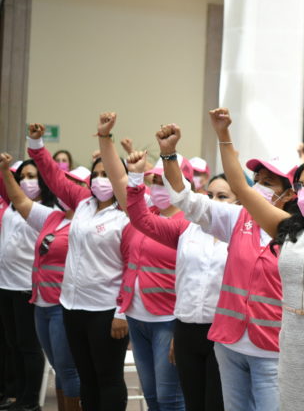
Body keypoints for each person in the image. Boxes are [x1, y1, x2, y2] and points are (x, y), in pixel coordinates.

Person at [210, 107, 304, 411]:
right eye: (300, 185)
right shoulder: (288, 228)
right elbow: (240, 186)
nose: (303, 191)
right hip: (291, 350)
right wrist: (223, 134)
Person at [158, 122, 295, 411]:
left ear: (289, 194)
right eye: (257, 178)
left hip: (272, 350)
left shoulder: (299, 233)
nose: (259, 186)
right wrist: (169, 155)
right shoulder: (237, 218)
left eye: (269, 183)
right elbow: (186, 199)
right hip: (230, 344)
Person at [26, 119, 131, 411]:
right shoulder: (83, 202)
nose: (100, 179)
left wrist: (122, 312)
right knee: (86, 377)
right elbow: (53, 176)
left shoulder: (127, 215)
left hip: (106, 310)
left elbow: (133, 266)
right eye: (96, 174)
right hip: (72, 306)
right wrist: (36, 145)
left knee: (107, 377)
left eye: (107, 174)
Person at [122, 145, 228, 411]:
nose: (215, 201)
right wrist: (135, 179)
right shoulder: (186, 227)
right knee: (184, 401)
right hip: (186, 328)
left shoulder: (242, 231)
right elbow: (141, 219)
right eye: (211, 195)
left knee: (211, 403)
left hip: (223, 332)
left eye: (223, 197)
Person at [98, 118, 186, 411]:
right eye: (153, 180)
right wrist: (104, 136)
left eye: (163, 180)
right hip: (138, 315)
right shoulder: (142, 211)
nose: (156, 186)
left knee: (169, 395)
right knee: (150, 393)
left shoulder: (188, 221)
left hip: (168, 319)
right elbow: (116, 175)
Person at [0, 155, 84, 411]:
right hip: (38, 298)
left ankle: (32, 401)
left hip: (59, 301)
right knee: (52, 362)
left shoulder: (83, 222)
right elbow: (18, 199)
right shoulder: (52, 217)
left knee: (64, 366)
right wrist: (5, 171)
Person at [0, 158, 51, 411]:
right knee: (13, 344)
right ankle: (17, 395)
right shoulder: (11, 206)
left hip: (26, 286)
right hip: (5, 284)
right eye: (23, 177)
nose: (27, 182)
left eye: (33, 176)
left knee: (29, 346)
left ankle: (30, 401)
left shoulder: (43, 211)